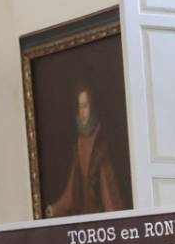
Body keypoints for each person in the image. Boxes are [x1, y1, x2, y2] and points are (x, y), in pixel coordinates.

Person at [45, 86, 126, 218]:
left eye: (85, 106)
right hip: (84, 217)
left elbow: (110, 197)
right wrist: (55, 209)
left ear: (92, 107)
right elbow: (71, 190)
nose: (82, 112)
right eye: (79, 107)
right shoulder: (79, 144)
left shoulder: (102, 143)